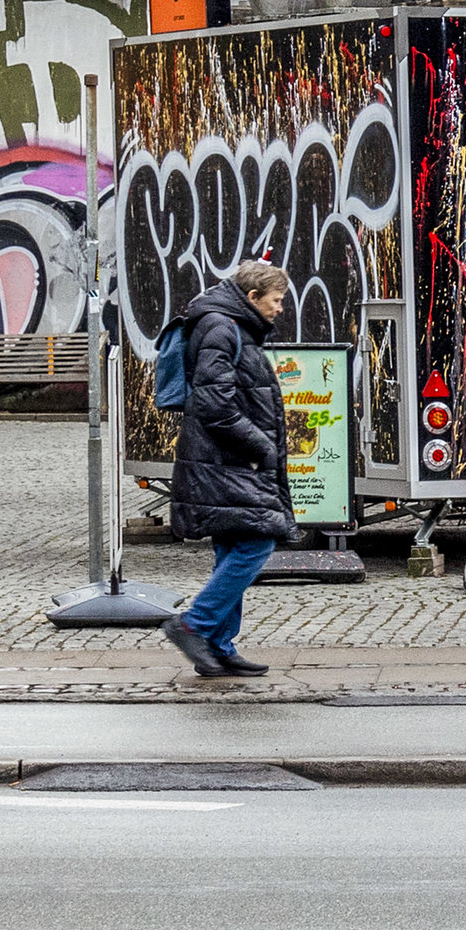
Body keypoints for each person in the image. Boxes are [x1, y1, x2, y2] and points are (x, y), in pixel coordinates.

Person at [160, 259, 300, 679]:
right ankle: (193, 625)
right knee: (257, 542)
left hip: (225, 459)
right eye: (276, 300)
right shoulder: (222, 328)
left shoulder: (232, 326)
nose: (280, 309)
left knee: (232, 547)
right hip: (226, 461)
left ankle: (219, 645)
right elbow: (214, 404)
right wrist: (261, 446)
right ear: (252, 297)